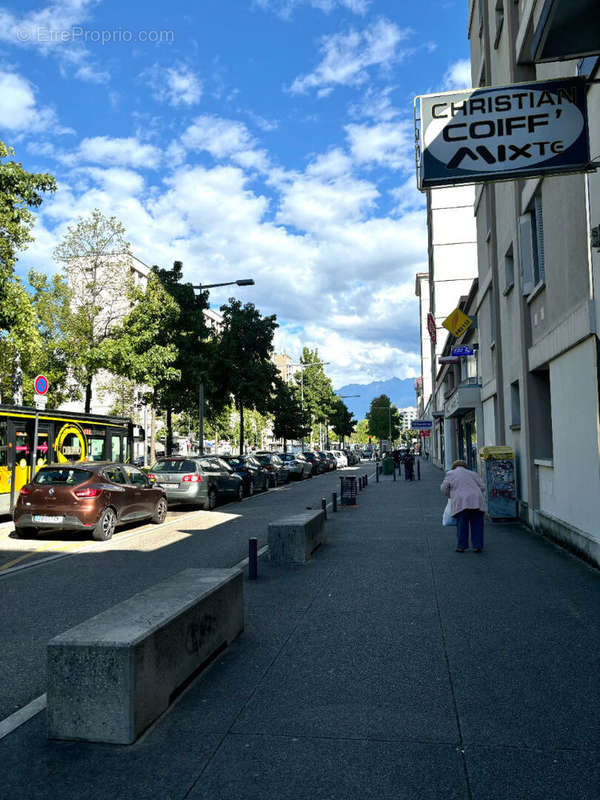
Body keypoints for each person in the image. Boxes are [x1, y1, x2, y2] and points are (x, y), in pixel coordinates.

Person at [441, 459, 486, 552]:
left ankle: (461, 546)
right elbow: (482, 487)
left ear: (454, 466)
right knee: (477, 524)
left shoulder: (450, 474)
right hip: (476, 501)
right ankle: (477, 546)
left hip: (461, 502)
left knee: (462, 525)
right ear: (465, 466)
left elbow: (444, 488)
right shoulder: (473, 473)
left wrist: (450, 495)